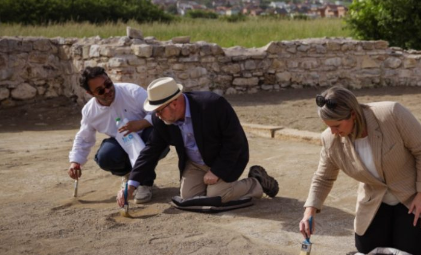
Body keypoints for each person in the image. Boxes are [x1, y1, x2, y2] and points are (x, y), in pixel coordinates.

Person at [299, 86, 421, 255]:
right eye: (329, 126)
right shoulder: (330, 139)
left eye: (337, 125)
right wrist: (309, 212)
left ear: (353, 114)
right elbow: (323, 177)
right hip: (376, 197)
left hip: (413, 192)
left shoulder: (392, 113)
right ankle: (400, 229)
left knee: (415, 248)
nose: (333, 132)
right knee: (367, 248)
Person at [116, 77, 279, 209]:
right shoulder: (160, 120)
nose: (156, 115)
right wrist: (132, 184)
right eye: (154, 111)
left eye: (159, 110)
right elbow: (150, 151)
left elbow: (234, 141)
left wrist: (217, 171)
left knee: (217, 196)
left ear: (174, 102)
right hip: (195, 164)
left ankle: (256, 182)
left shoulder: (213, 105)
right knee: (188, 197)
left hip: (225, 158)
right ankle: (225, 187)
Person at [67, 66, 167, 204]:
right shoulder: (90, 111)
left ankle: (145, 183)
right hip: (121, 143)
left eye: (108, 84)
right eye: (100, 90)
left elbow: (160, 113)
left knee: (155, 138)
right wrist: (75, 162)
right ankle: (128, 174)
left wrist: (141, 123)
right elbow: (84, 137)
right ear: (90, 93)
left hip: (146, 134)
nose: (107, 90)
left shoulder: (133, 91)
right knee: (105, 156)